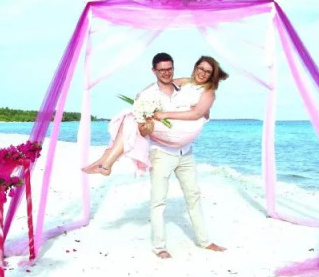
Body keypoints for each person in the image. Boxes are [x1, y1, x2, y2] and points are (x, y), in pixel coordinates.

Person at [85, 53, 227, 258]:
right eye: (200, 68)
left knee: (193, 196)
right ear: (195, 67)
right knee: (158, 200)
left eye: (208, 71)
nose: (203, 73)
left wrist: (164, 114)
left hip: (186, 153)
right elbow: (150, 96)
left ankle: (205, 241)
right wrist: (144, 106)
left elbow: (196, 113)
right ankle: (160, 247)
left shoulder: (205, 92)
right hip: (163, 153)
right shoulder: (180, 84)